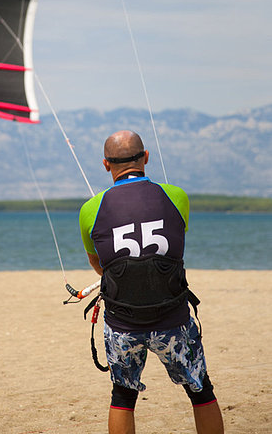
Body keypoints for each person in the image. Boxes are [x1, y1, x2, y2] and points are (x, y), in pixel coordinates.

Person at [79, 130, 224, 434]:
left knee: (122, 397)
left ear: (106, 165)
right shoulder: (177, 196)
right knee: (201, 391)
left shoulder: (89, 210)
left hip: (122, 323)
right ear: (146, 158)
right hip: (173, 318)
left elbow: (100, 266)